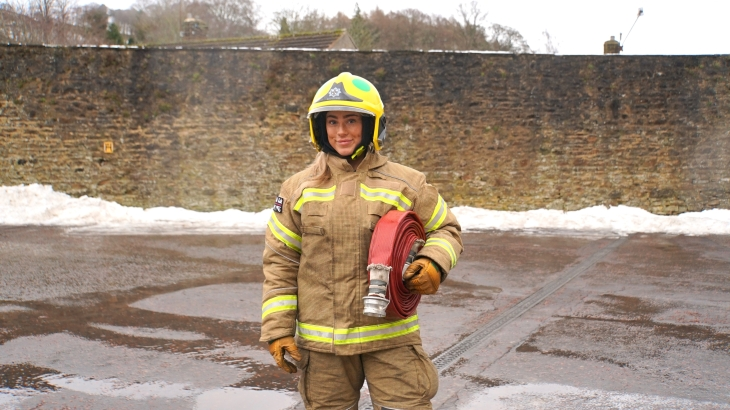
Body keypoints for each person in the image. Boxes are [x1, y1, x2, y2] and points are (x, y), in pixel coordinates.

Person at [261, 72, 463, 410]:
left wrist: (433, 263)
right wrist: (278, 329)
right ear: (319, 128)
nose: (341, 131)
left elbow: (447, 229)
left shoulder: (407, 184)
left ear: (371, 125)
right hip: (323, 349)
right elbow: (280, 261)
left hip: (392, 340)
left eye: (352, 120)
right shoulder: (297, 189)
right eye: (332, 121)